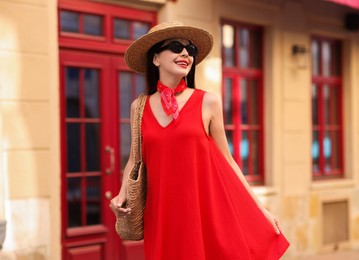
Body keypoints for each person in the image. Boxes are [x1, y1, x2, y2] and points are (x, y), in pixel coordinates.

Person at [110, 21, 290, 259]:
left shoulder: (208, 102)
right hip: (162, 214)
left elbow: (228, 161)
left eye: (190, 49)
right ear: (155, 59)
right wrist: (122, 194)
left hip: (201, 211)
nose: (185, 53)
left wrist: (261, 210)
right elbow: (134, 159)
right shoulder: (139, 107)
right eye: (176, 47)